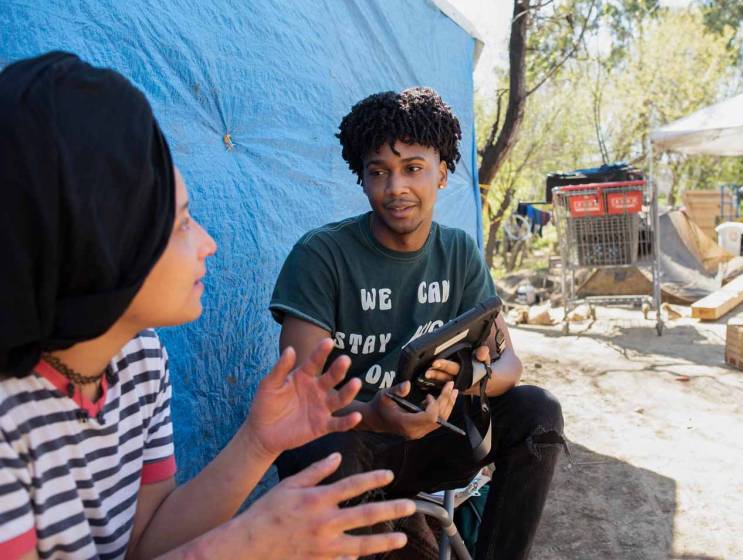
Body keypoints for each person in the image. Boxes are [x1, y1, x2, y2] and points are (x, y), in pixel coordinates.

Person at [0, 52, 416, 560]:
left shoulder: (137, 358)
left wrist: (257, 444)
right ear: (103, 244)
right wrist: (241, 546)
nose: (207, 242)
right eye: (180, 223)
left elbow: (144, 544)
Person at [270, 87, 565, 559]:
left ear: (442, 173)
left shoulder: (458, 253)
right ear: (362, 179)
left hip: (435, 437)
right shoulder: (322, 256)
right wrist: (372, 415)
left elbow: (510, 365)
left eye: (412, 168)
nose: (396, 188)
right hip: (353, 442)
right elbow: (299, 399)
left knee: (538, 412)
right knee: (321, 450)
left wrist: (469, 377)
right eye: (378, 172)